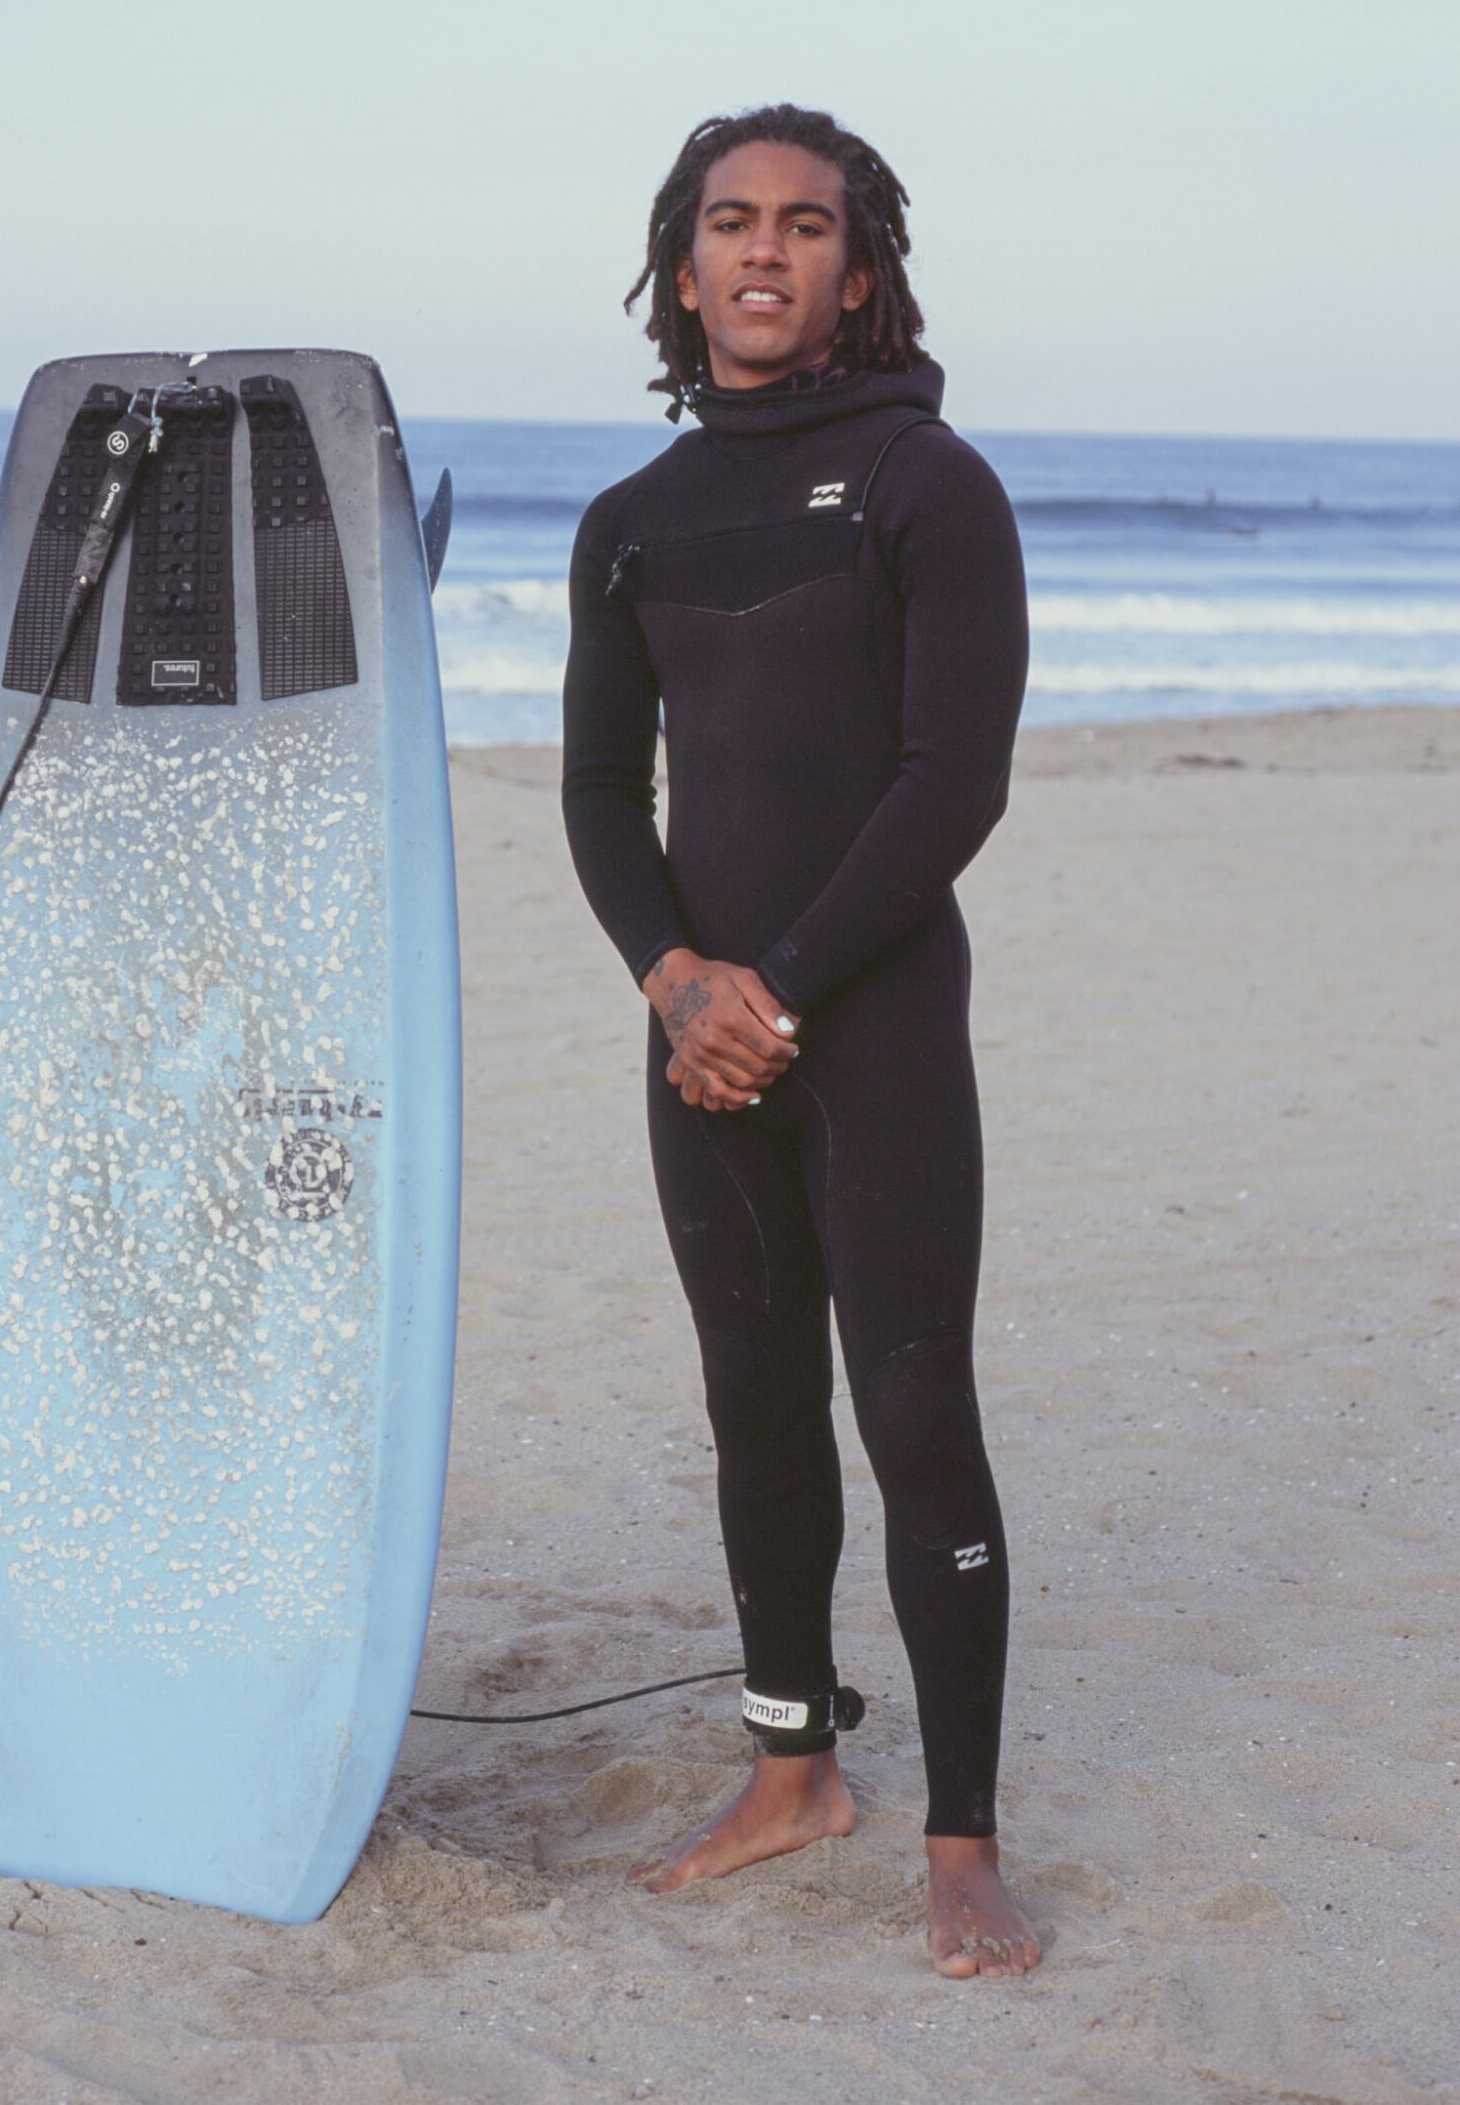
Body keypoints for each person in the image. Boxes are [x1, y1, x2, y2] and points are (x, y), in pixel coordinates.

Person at [559, 103, 1042, 1979]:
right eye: (731, 222)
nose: (766, 249)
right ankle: (792, 1773)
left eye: (807, 224)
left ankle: (964, 1835)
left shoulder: (932, 481)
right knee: (753, 1406)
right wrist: (677, 983)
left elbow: (952, 779)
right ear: (684, 268)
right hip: (703, 1043)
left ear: (862, 268)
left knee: (918, 1407)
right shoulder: (633, 523)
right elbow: (603, 788)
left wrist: (774, 988)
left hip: (876, 1028)